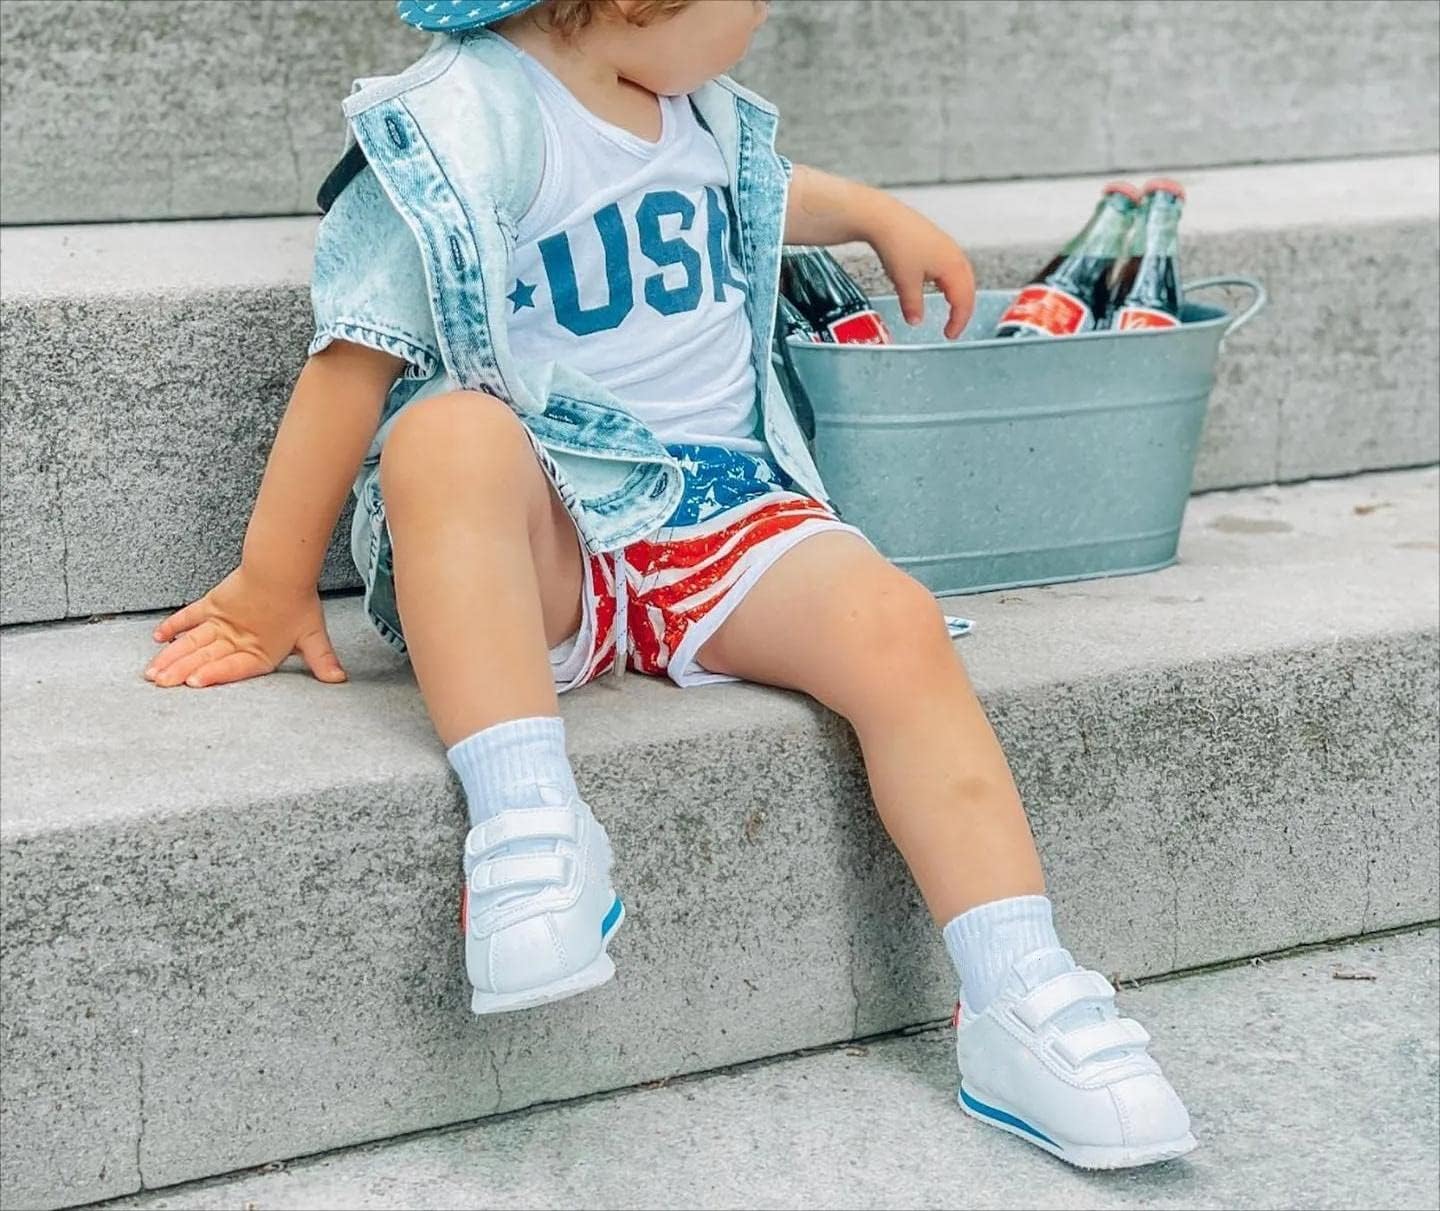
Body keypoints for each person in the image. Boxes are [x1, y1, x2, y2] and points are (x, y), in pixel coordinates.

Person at [141, 0, 1195, 1170]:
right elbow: (352, 356)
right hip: (552, 525)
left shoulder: (691, 108)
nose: (765, 15)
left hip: (725, 514)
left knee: (893, 623)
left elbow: (751, 194)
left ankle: (1017, 989)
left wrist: (873, 213)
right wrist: (271, 582)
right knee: (444, 436)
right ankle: (527, 821)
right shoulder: (459, 127)